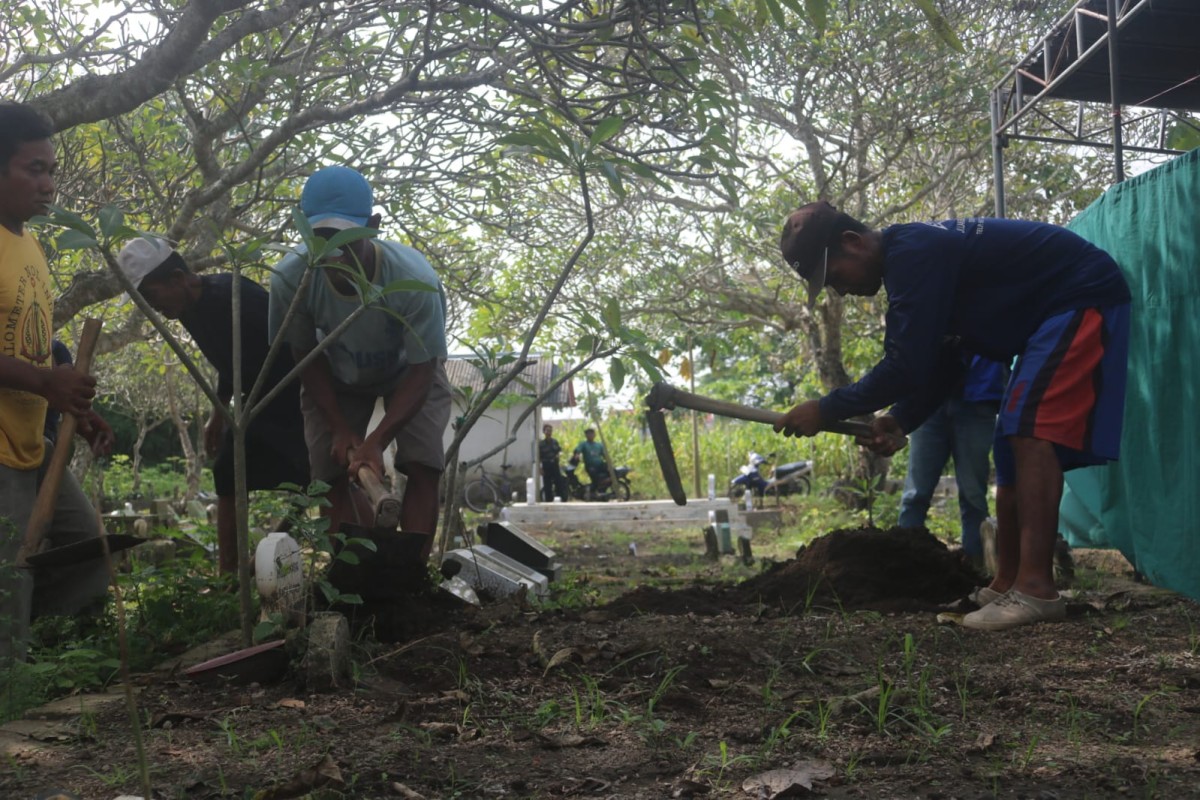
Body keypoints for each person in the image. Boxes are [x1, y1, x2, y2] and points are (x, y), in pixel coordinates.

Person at [775, 201, 1130, 631]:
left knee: (1030, 430)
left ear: (852, 242)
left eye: (834, 277)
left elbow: (905, 364)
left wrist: (826, 407)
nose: (839, 291)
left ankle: (1037, 590)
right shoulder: (912, 264)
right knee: (1011, 442)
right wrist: (902, 419)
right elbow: (945, 358)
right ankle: (1006, 584)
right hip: (1047, 317)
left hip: (1078, 295)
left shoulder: (913, 253)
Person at [268, 166, 451, 555]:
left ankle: (410, 576)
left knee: (423, 463)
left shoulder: (415, 280)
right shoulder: (290, 279)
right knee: (330, 472)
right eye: (321, 237)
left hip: (409, 375)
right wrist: (338, 427)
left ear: (373, 226)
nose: (333, 252)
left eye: (346, 238)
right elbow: (304, 353)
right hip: (335, 376)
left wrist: (377, 440)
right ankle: (360, 575)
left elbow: (423, 370)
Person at [116, 237, 310, 575]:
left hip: (296, 396)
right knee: (228, 472)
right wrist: (217, 414)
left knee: (323, 478)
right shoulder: (187, 309)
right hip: (256, 402)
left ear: (177, 279)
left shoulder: (235, 297)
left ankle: (352, 558)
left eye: (152, 295)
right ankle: (230, 575)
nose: (152, 306)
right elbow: (231, 360)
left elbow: (291, 344)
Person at [0, 102, 115, 661]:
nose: (48, 185)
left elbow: (30, 337)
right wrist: (46, 381)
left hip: (30, 440)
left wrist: (73, 405)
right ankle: (13, 701)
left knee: (85, 549)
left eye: (52, 171)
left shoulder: (32, 247)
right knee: (9, 578)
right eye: (33, 170)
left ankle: (50, 663)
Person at [897, 355, 1008, 565]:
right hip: (928, 402)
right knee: (915, 493)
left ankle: (973, 566)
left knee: (973, 494)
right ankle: (904, 564)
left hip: (978, 399)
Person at [571, 428, 610, 493]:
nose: (590, 435)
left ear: (594, 434)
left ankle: (604, 487)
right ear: (586, 435)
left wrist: (609, 462)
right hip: (591, 466)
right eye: (588, 434)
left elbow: (604, 455)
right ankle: (591, 492)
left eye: (591, 433)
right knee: (595, 479)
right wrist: (577, 455)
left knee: (612, 471)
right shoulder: (584, 444)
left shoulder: (599, 445)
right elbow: (578, 450)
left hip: (600, 465)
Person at [538, 423, 568, 502]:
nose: (549, 432)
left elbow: (559, 451)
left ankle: (560, 499)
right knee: (547, 485)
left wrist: (558, 455)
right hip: (546, 466)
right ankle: (549, 501)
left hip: (555, 465)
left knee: (559, 482)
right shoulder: (541, 444)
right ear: (544, 432)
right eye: (547, 430)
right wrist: (540, 468)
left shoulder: (555, 442)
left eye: (550, 431)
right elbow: (539, 458)